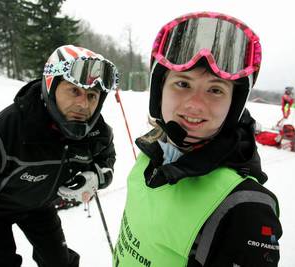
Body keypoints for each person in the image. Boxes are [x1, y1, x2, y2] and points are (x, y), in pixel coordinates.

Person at [113, 12, 282, 267]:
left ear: (233, 105)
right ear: (160, 91)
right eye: (183, 84)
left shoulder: (244, 208)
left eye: (215, 90)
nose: (195, 105)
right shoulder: (153, 152)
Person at [0, 44, 119, 267]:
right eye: (74, 91)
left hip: (38, 205)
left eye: (92, 95)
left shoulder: (96, 131)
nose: (84, 104)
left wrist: (95, 177)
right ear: (51, 86)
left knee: (59, 262)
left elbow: (106, 159)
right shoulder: (13, 126)